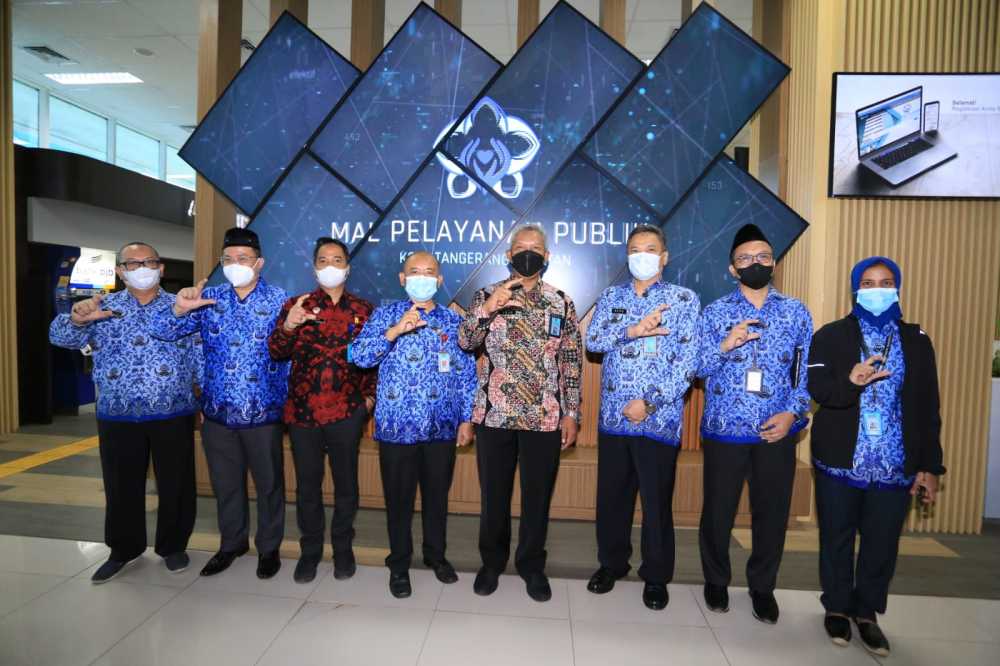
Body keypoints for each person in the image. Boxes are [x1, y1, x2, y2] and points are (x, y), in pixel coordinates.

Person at [808, 257, 944, 657]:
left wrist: (930, 465)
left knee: (882, 542)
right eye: (868, 283)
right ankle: (836, 607)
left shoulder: (916, 340)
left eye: (885, 282)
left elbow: (928, 407)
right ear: (856, 289)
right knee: (836, 536)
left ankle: (866, 612)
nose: (877, 289)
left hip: (894, 463)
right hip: (841, 460)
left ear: (897, 288)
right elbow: (819, 390)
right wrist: (851, 381)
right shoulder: (831, 336)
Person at [49, 242, 201, 583]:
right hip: (117, 413)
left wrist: (207, 397)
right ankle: (123, 549)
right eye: (133, 263)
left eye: (149, 262)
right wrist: (76, 319)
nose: (142, 268)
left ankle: (173, 546)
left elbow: (199, 354)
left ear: (161, 268)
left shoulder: (182, 306)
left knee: (176, 484)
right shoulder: (102, 306)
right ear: (120, 271)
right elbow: (59, 337)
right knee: (120, 485)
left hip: (173, 411)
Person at [150, 227, 289, 580]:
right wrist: (178, 309)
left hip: (264, 412)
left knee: (269, 485)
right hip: (217, 412)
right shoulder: (207, 298)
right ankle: (232, 543)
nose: (235, 264)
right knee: (226, 484)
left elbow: (292, 355)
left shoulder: (281, 300)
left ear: (259, 263)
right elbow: (162, 331)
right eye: (228, 259)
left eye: (243, 258)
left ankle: (269, 548)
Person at [458, 224, 582, 603]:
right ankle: (491, 563)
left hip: (544, 417)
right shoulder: (486, 294)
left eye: (536, 247)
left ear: (547, 257)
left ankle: (531, 565)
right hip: (494, 416)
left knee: (537, 498)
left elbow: (571, 360)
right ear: (508, 255)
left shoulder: (561, 302)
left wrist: (571, 412)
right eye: (520, 247)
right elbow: (465, 341)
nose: (528, 252)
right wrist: (487, 309)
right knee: (493, 496)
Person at [695, 223, 812, 624]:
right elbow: (697, 368)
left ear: (774, 262)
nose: (755, 263)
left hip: (776, 431)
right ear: (733, 268)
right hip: (724, 430)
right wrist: (725, 345)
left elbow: (805, 375)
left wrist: (793, 414)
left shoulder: (796, 311)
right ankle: (715, 580)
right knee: (718, 512)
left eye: (762, 256)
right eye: (745, 259)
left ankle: (762, 587)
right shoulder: (715, 312)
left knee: (772, 513)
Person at [584, 225, 700, 610]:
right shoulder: (611, 297)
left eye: (650, 249)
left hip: (658, 420)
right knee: (612, 499)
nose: (642, 255)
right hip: (614, 418)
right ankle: (611, 564)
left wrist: (648, 403)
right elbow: (593, 341)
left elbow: (687, 363)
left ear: (664, 257)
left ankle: (656, 576)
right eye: (635, 249)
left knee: (655, 502)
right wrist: (632, 330)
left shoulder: (683, 299)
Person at [352, 251, 477, 598]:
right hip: (397, 427)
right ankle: (399, 565)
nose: (422, 277)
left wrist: (467, 419)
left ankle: (436, 556)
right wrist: (393, 332)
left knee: (437, 498)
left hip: (441, 427)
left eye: (429, 272)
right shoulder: (385, 314)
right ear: (402, 278)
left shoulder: (452, 321)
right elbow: (358, 356)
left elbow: (467, 373)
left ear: (439, 280)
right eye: (414, 271)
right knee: (399, 501)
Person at [268, 237, 375, 584]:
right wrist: (289, 326)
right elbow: (276, 352)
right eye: (323, 260)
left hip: (347, 412)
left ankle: (343, 549)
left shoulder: (364, 309)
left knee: (346, 486)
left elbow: (375, 359)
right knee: (307, 487)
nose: (331, 266)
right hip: (303, 414)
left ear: (348, 267)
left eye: (337, 259)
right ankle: (310, 552)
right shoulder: (296, 305)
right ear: (314, 268)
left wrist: (368, 401)